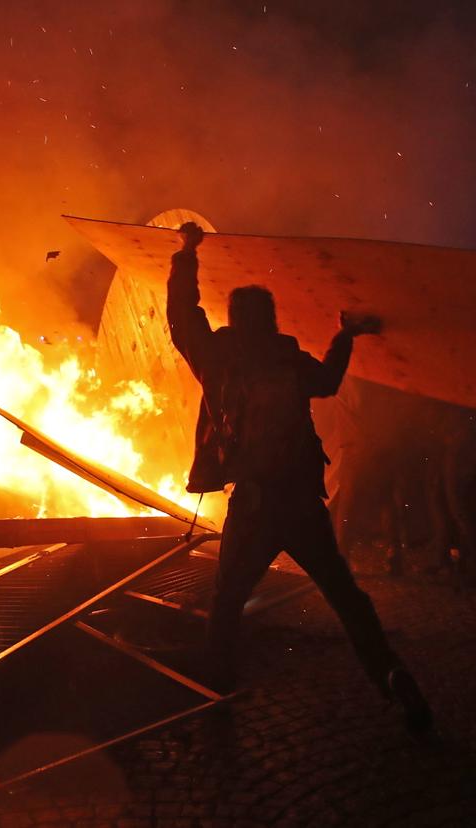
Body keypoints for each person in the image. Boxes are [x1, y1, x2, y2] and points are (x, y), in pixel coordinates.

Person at [166, 221, 432, 733]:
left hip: (256, 505)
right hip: (302, 503)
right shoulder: (287, 357)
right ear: (270, 320)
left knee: (227, 601)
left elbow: (181, 314)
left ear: (234, 320)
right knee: (346, 598)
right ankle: (390, 673)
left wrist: (187, 252)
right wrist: (344, 335)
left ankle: (216, 694)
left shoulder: (218, 359)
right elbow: (329, 383)